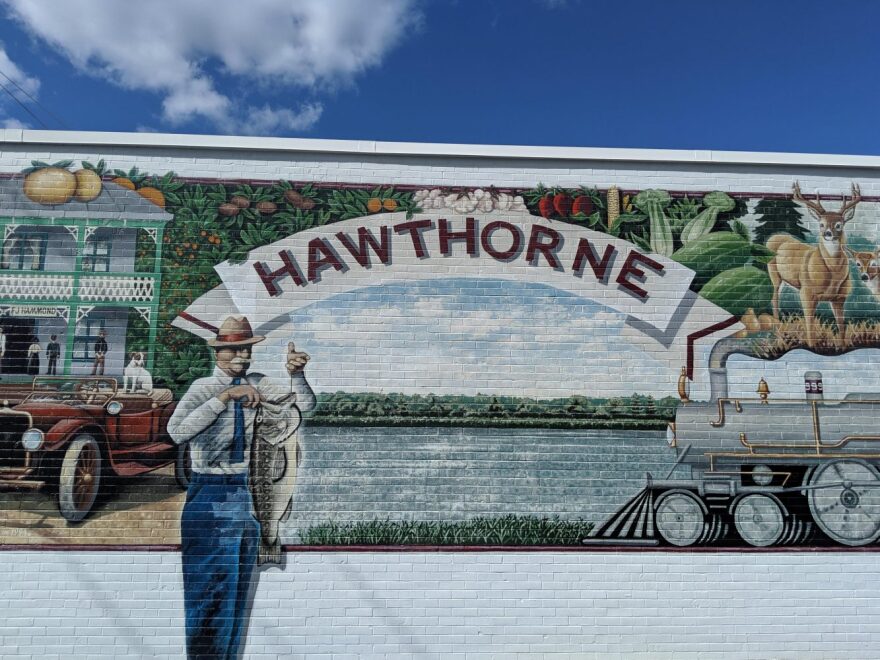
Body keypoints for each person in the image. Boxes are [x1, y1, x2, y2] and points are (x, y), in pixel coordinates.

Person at [167, 315, 315, 660]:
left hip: (248, 496)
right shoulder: (203, 388)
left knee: (236, 598)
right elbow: (176, 432)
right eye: (234, 350)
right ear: (218, 352)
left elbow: (304, 406)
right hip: (210, 492)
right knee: (208, 597)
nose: (242, 357)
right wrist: (225, 397)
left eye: (246, 350)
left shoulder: (260, 383)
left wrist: (297, 375)